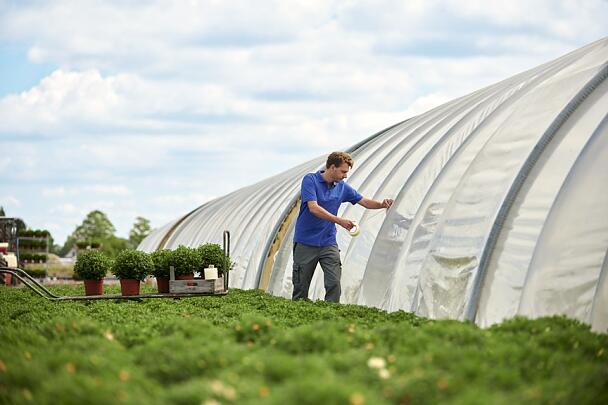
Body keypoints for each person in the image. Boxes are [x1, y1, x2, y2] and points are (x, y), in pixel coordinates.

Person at [292, 151, 393, 302]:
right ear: (332, 167)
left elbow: (364, 201)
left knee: (334, 283)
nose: (345, 175)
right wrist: (339, 221)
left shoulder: (342, 187)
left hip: (328, 242)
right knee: (301, 288)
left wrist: (382, 204)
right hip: (305, 242)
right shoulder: (310, 180)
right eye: (343, 171)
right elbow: (313, 208)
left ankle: (330, 319)